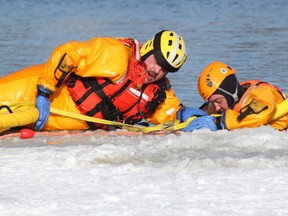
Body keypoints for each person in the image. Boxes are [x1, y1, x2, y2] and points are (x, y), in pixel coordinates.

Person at [0, 30, 187, 132]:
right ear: (148, 50)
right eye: (158, 62)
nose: (157, 71)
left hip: (50, 120)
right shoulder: (116, 55)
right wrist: (43, 92)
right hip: (32, 88)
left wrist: (188, 116)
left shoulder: (157, 91)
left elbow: (169, 113)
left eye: (166, 69)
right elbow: (69, 53)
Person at [178, 61, 288, 132]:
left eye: (218, 101)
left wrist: (218, 122)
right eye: (213, 102)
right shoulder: (226, 103)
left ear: (229, 92)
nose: (217, 107)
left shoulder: (262, 93)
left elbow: (257, 116)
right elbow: (208, 114)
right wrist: (184, 114)